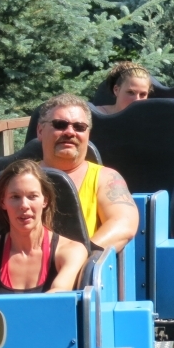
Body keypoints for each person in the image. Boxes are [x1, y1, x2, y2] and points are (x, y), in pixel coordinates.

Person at [36, 93, 139, 252]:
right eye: (60, 124)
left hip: (84, 271)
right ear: (40, 131)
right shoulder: (20, 177)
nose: (70, 132)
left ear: (87, 134)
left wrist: (80, 257)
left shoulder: (104, 178)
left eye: (79, 127)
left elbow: (124, 224)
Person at [0, 160, 88, 294]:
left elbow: (58, 294)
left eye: (32, 196)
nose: (24, 205)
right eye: (15, 197)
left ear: (45, 200)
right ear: (3, 202)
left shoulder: (71, 251)